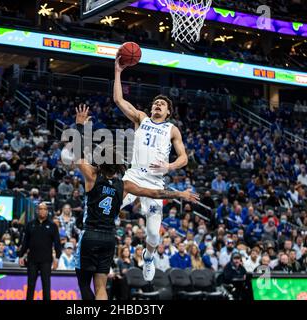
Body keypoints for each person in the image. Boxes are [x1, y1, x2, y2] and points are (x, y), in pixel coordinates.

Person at [73, 105, 198, 300]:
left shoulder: (91, 177)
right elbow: (155, 193)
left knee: (83, 283)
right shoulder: (125, 185)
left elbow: (77, 152)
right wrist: (179, 195)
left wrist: (80, 126)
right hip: (109, 238)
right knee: (100, 286)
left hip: (90, 234)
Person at [114, 57, 190, 282]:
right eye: (155, 102)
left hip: (156, 182)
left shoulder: (172, 129)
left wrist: (170, 165)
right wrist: (118, 71)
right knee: (110, 205)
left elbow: (184, 157)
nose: (157, 105)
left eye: (162, 104)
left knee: (154, 234)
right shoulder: (141, 119)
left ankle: (148, 256)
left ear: (168, 112)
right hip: (134, 176)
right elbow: (118, 99)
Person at [19, 202, 62, 300]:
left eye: (45, 209)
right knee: (30, 285)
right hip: (32, 260)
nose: (42, 211)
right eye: (40, 209)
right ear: (37, 211)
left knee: (46, 285)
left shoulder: (52, 226)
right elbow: (25, 241)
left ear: (47, 211)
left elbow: (57, 243)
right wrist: (21, 255)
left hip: (46, 260)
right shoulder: (30, 224)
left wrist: (57, 258)